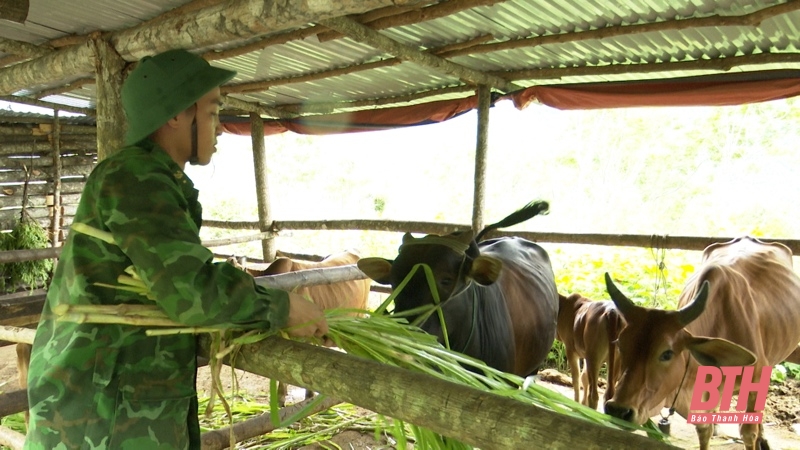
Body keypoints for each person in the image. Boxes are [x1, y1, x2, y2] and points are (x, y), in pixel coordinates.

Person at [24, 49, 329, 450]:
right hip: (101, 413)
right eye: (213, 111)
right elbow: (190, 289)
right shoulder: (136, 178)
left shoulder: (157, 180)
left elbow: (173, 275)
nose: (219, 128)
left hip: (123, 399)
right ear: (176, 115)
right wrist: (282, 308)